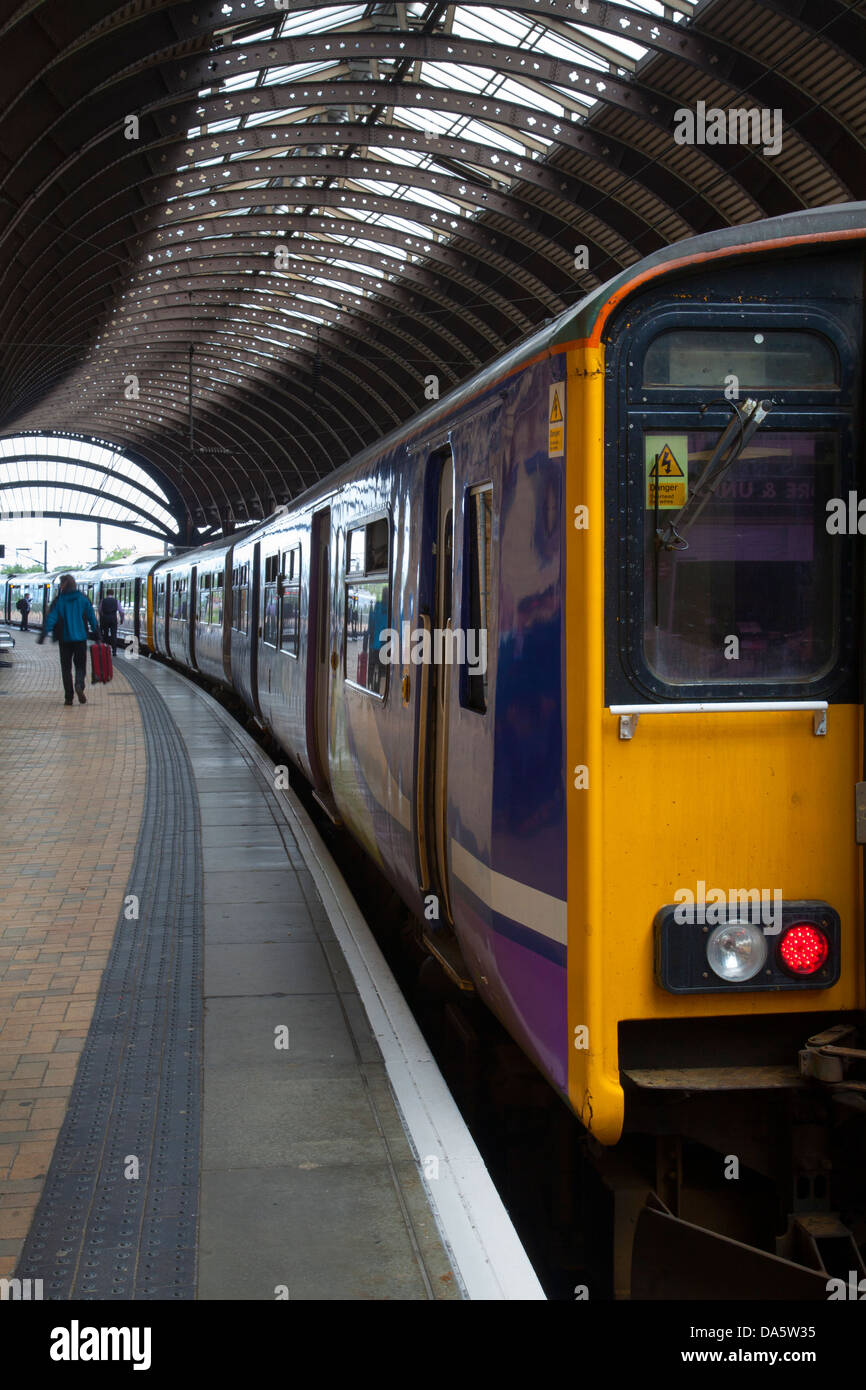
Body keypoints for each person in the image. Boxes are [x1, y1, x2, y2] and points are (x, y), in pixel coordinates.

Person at [37, 575, 100, 705]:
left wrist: (44, 633)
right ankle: (79, 684)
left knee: (66, 668)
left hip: (64, 640)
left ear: (64, 585)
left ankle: (68, 697)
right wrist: (97, 633)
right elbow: (91, 617)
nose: (60, 586)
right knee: (80, 665)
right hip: (80, 639)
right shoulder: (83, 599)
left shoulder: (59, 600)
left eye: (61, 584)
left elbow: (52, 618)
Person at [99, 590, 124, 656]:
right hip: (113, 619)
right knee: (114, 635)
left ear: (106, 594)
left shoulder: (103, 601)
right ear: (113, 594)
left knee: (106, 634)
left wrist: (102, 616)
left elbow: (100, 610)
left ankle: (106, 649)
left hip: (105, 619)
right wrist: (122, 619)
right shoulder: (116, 601)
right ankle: (114, 651)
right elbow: (121, 611)